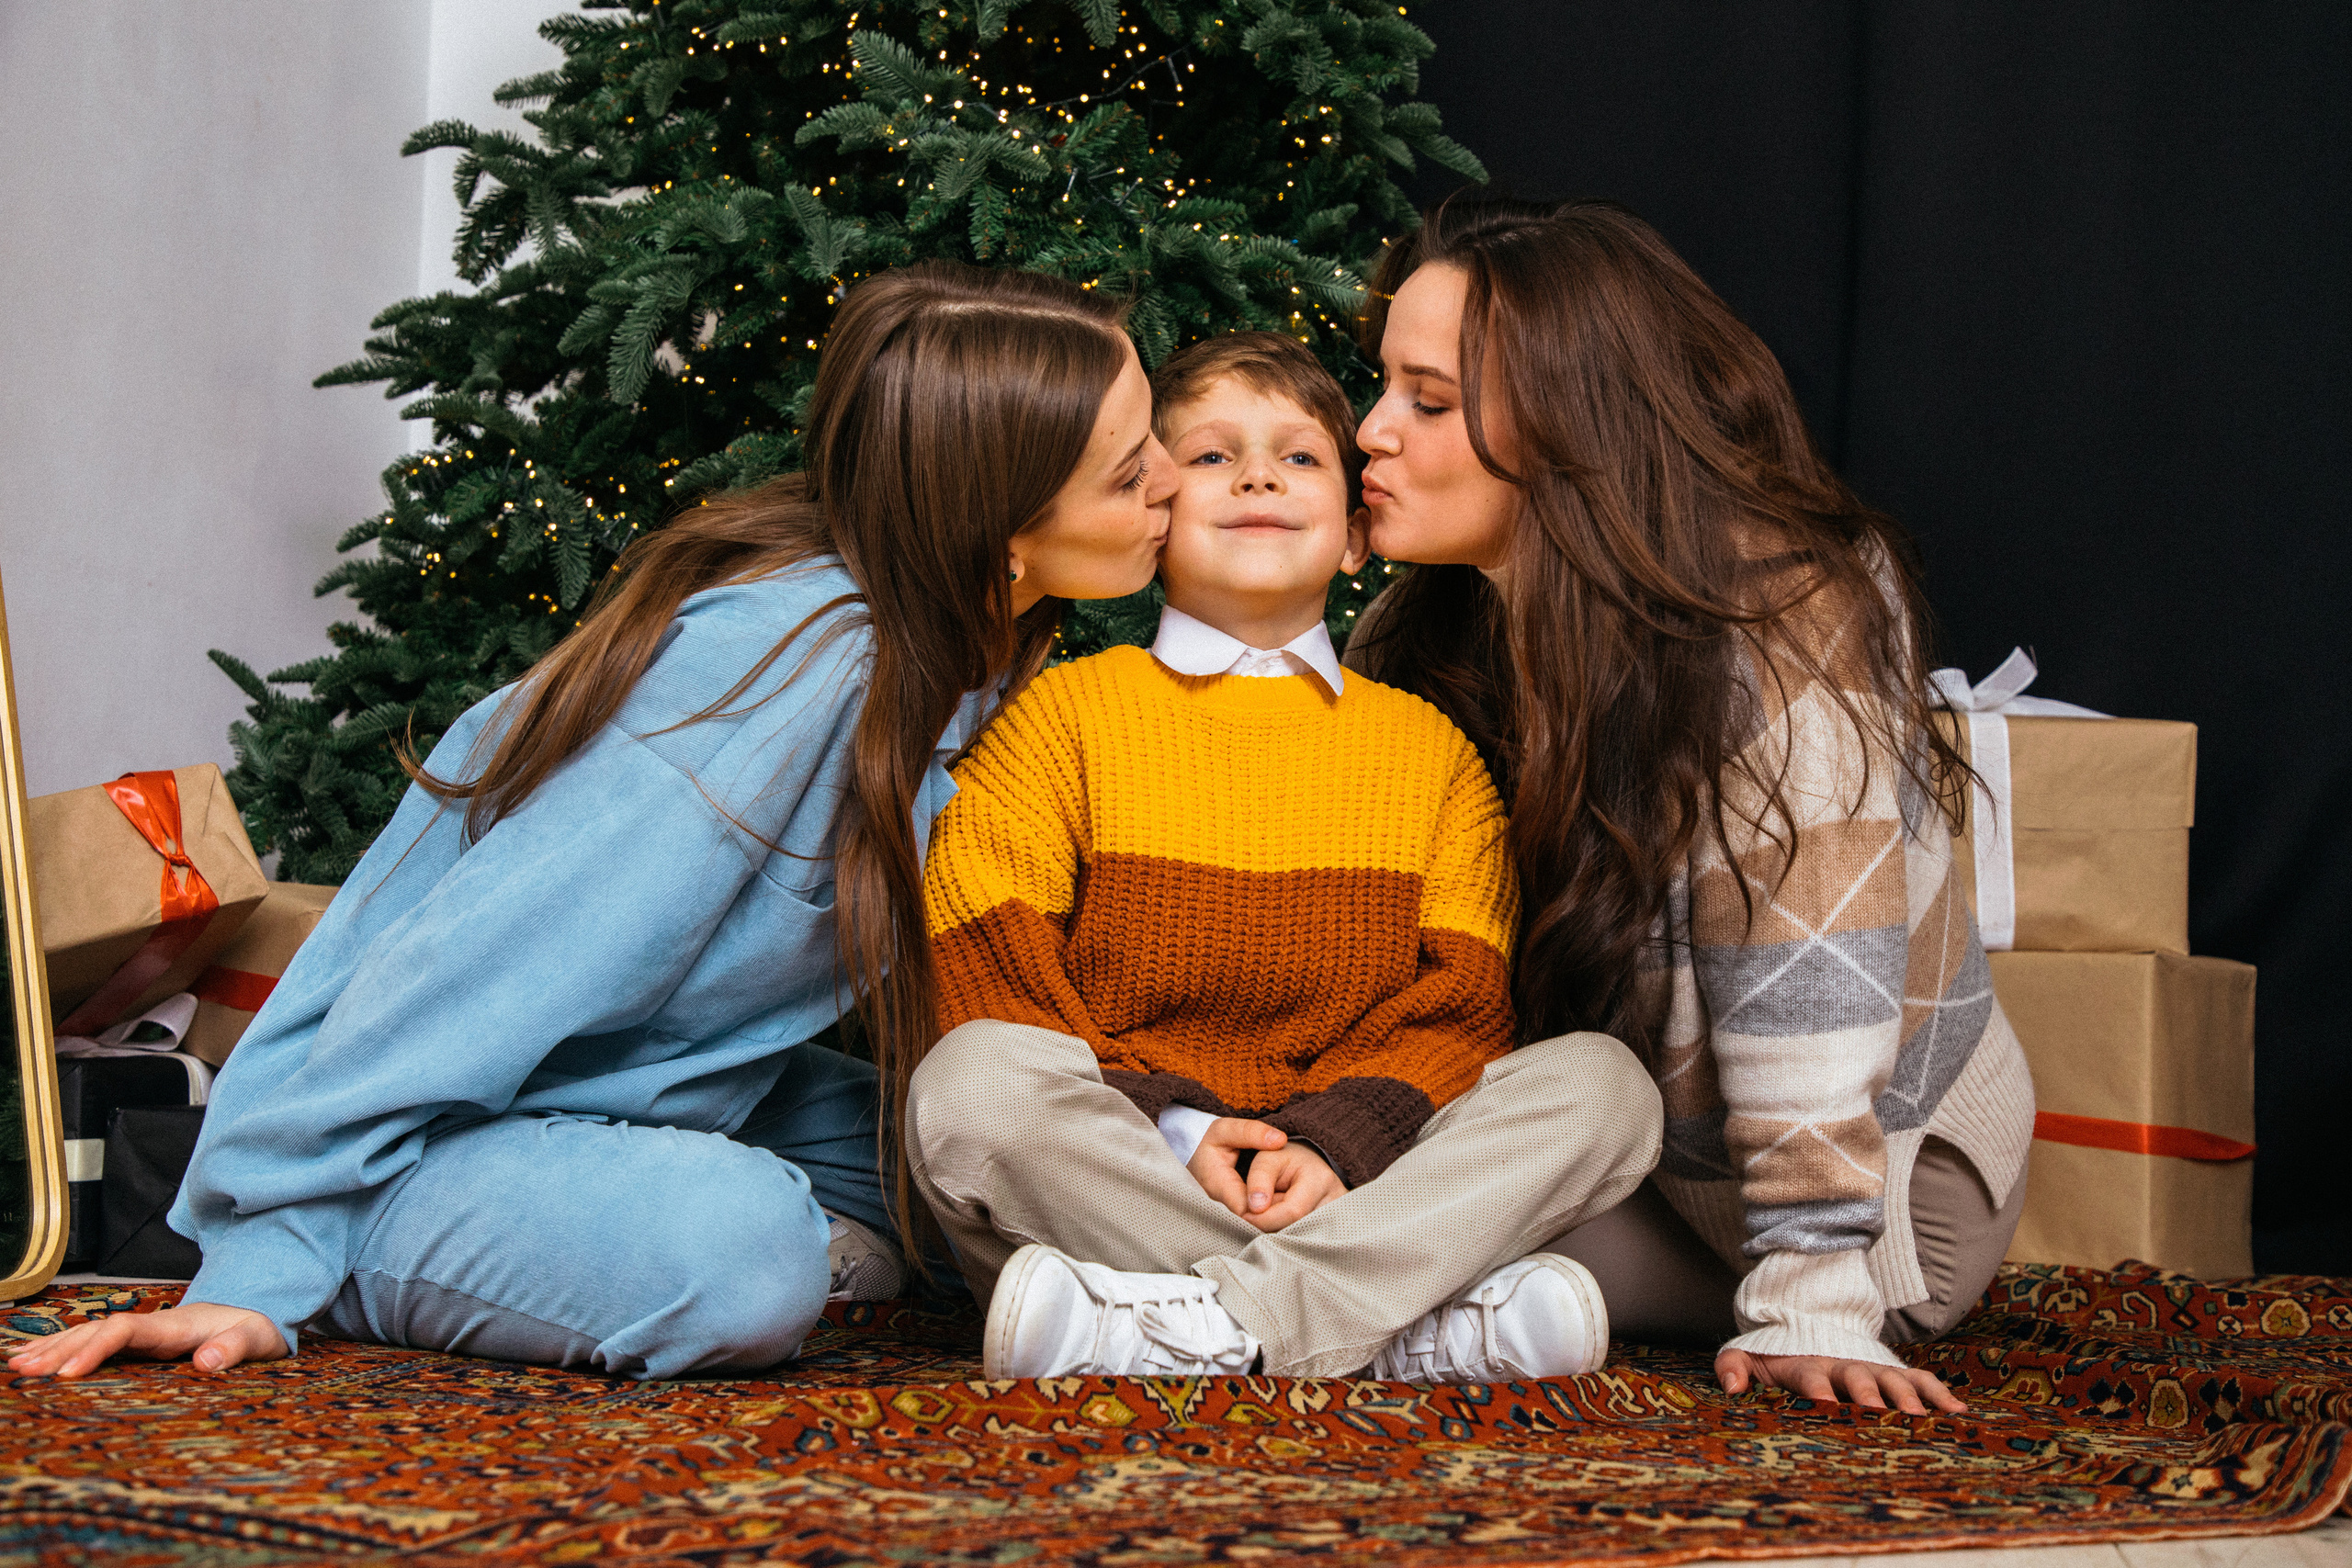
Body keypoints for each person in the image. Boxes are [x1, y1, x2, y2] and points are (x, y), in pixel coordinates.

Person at [9, 262, 1179, 1383]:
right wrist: (263, 1267)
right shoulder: (792, 675)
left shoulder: (974, 649)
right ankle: (353, 1247)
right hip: (413, 1133)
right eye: (1131, 475)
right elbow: (462, 978)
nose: (1175, 482)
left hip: (651, 1093)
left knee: (1004, 1163)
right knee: (742, 1262)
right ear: (999, 528)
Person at [1344, 195, 2036, 1416]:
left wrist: (1813, 1297)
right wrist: (1270, 611)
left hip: (1873, 1204)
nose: (1367, 432)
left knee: (1360, 1241)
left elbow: (1811, 996)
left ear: (1572, 423)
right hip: (1621, 1143)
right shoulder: (1422, 628)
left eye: (1429, 402)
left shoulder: (1777, 628)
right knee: (1301, 1198)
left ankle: (1270, 1317)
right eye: (1381, 387)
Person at [907, 331, 1662, 1383]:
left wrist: (1333, 1145)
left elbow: (1461, 1011)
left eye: (1299, 457)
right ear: (1155, 515)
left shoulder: (1432, 752)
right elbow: (991, 971)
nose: (1257, 476)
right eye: (1212, 456)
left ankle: (1197, 1327)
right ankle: (1398, 1327)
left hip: (1362, 1164)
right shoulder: (1060, 719)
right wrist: (1178, 1132)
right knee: (969, 1084)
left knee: (1604, 1087)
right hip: (1134, 1166)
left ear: (1355, 535)